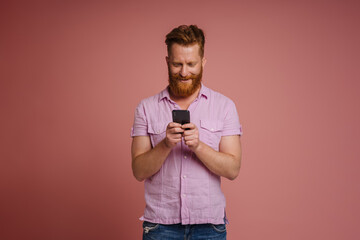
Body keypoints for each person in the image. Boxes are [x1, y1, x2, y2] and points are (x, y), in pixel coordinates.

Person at [131, 25, 242, 240]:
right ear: (167, 62)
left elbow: (233, 169)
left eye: (191, 64)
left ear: (203, 62)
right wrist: (165, 145)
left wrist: (198, 146)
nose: (184, 72)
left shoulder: (225, 106)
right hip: (160, 228)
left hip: (209, 228)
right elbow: (138, 171)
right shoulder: (146, 108)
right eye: (177, 64)